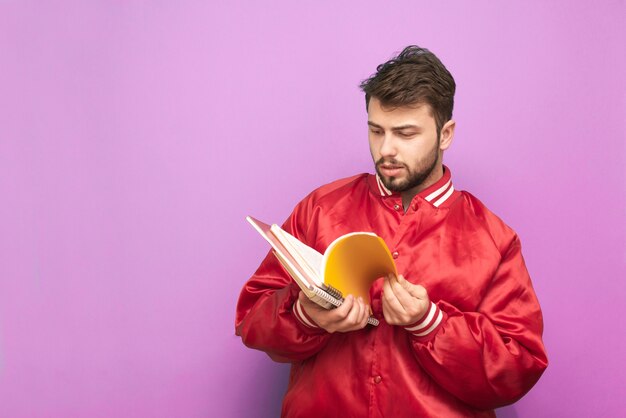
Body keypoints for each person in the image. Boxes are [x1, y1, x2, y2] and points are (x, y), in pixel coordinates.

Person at [235, 45, 548, 417]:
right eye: (376, 130)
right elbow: (251, 318)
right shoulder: (320, 207)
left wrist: (431, 324)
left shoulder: (494, 239)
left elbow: (517, 369)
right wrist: (305, 315)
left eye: (405, 133)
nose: (386, 149)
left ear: (445, 134)